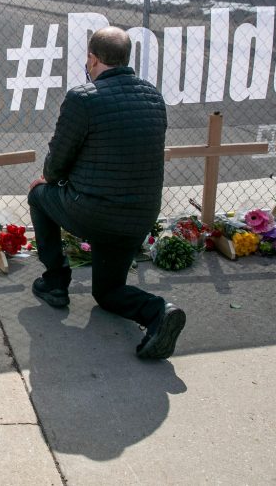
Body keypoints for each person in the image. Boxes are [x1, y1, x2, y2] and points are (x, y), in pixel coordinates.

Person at [27, 26, 186, 359]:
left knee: (38, 195)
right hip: (139, 217)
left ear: (93, 59)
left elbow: (56, 165)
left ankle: (56, 282)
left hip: (94, 213)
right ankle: (159, 312)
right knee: (108, 292)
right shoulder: (152, 95)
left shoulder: (83, 98)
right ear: (126, 59)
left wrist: (48, 181)